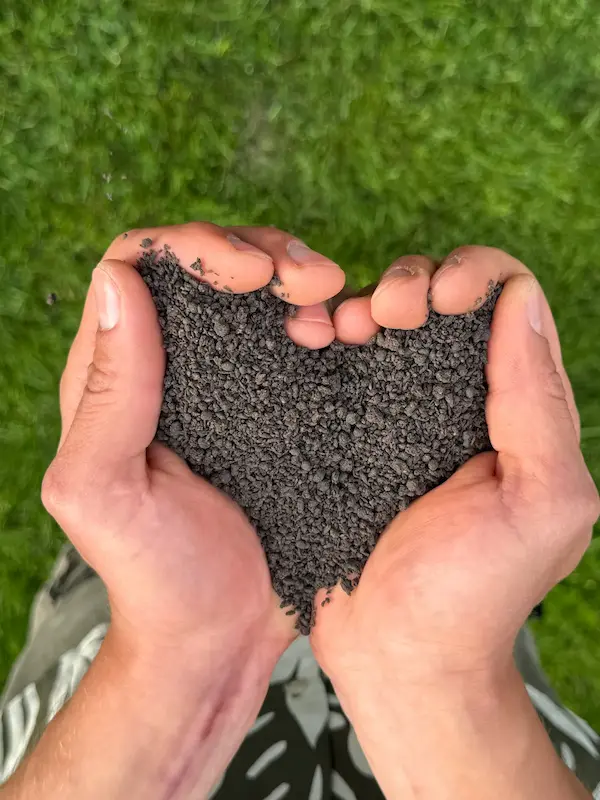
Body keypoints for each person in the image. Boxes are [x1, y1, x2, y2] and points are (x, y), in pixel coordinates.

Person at [0, 223, 598, 799]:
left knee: (99, 594)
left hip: (119, 664)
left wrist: (173, 657)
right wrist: (445, 681)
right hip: (478, 695)